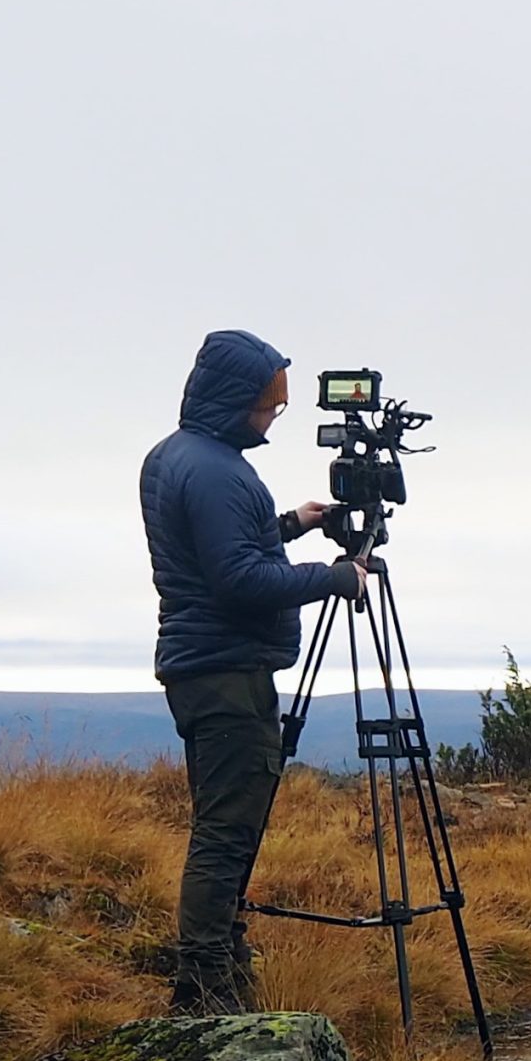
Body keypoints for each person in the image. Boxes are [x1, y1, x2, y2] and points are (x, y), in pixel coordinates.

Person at [141, 329, 364, 1014]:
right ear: (238, 399)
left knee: (228, 820)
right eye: (271, 405)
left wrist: (291, 524)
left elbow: (225, 546)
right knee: (227, 828)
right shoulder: (215, 469)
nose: (273, 418)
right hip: (224, 669)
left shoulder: (183, 457)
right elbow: (238, 578)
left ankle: (218, 961)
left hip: (207, 666)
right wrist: (334, 578)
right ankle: (206, 983)